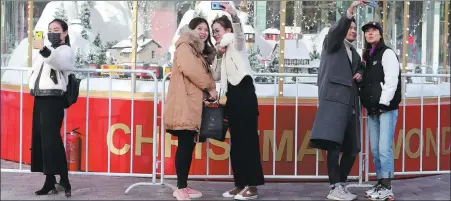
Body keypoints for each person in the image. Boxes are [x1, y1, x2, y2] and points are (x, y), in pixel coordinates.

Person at [308, 1, 367, 200]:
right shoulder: (331, 43)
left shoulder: (354, 53)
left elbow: (359, 68)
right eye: (349, 27)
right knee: (333, 145)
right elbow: (337, 31)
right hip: (334, 101)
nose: (352, 30)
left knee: (352, 148)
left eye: (353, 28)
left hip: (350, 104)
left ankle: (340, 183)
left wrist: (359, 73)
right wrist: (350, 10)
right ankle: (334, 187)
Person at [210, 3, 264, 200]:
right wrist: (217, 53)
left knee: (248, 142)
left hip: (244, 93)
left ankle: (253, 186)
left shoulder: (235, 41)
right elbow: (215, 74)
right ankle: (240, 183)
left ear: (227, 30)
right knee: (237, 143)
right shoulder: (222, 50)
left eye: (217, 30)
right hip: (231, 96)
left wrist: (233, 15)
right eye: (213, 31)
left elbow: (240, 35)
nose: (215, 34)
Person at [164, 17, 217, 201]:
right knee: (185, 145)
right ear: (191, 30)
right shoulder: (185, 47)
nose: (203, 32)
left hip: (191, 104)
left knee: (188, 145)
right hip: (184, 104)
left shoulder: (196, 51)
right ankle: (180, 187)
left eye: (206, 29)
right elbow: (192, 71)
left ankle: (183, 185)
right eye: (199, 28)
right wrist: (210, 86)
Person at [29, 19, 74, 197]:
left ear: (64, 33)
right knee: (42, 140)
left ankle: (63, 180)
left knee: (52, 140)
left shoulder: (65, 51)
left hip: (53, 99)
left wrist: (43, 50)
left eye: (56, 29)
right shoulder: (47, 51)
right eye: (50, 29)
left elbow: (59, 63)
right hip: (40, 97)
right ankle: (52, 181)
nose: (52, 32)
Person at [359, 21, 401, 201]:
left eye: (373, 30)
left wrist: (383, 103)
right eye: (367, 31)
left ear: (380, 34)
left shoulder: (387, 53)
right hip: (372, 109)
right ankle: (380, 183)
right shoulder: (368, 55)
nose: (370, 33)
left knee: (384, 149)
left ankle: (387, 186)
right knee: (375, 149)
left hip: (385, 109)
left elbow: (392, 81)